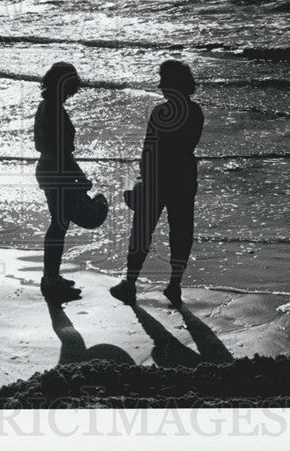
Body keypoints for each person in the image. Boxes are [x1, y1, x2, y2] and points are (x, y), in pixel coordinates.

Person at [110, 60, 203, 308]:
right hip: (184, 177)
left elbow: (149, 150)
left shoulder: (160, 112)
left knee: (141, 231)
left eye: (164, 81)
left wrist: (142, 180)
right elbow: (187, 146)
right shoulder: (196, 112)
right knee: (181, 231)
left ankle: (129, 283)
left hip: (158, 178)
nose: (160, 86)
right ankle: (174, 285)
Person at [34, 62, 96, 302]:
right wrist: (79, 177)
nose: (72, 91)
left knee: (58, 224)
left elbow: (45, 145)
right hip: (57, 171)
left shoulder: (45, 106)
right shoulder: (54, 111)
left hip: (48, 169)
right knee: (58, 225)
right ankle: (50, 279)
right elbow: (62, 152)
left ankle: (51, 276)